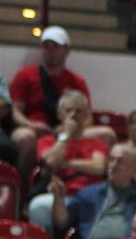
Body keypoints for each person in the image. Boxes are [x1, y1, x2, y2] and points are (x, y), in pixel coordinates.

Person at [9, 27, 112, 179]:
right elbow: (15, 110)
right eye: (47, 47)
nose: (51, 51)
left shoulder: (77, 81)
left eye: (56, 47)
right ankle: (23, 186)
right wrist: (30, 124)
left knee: (107, 134)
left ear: (66, 51)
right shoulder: (25, 75)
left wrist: (68, 129)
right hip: (35, 129)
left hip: (69, 128)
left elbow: (87, 117)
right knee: (25, 137)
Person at [28, 90, 107, 232]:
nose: (74, 115)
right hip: (59, 195)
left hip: (89, 196)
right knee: (38, 206)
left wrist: (65, 163)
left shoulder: (96, 144)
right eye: (69, 110)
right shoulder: (47, 141)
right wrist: (66, 135)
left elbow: (99, 167)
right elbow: (51, 162)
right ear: (60, 114)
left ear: (86, 115)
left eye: (79, 111)